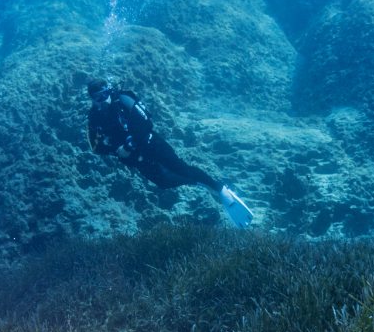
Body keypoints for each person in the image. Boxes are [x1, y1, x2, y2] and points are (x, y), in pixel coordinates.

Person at [85, 77, 254, 228]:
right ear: (92, 100)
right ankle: (199, 182)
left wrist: (128, 146)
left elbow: (145, 121)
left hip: (150, 142)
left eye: (105, 93)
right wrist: (116, 151)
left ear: (110, 90)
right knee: (164, 182)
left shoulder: (123, 98)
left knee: (182, 168)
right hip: (135, 157)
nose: (103, 99)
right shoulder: (93, 117)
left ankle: (221, 188)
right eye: (97, 97)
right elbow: (95, 147)